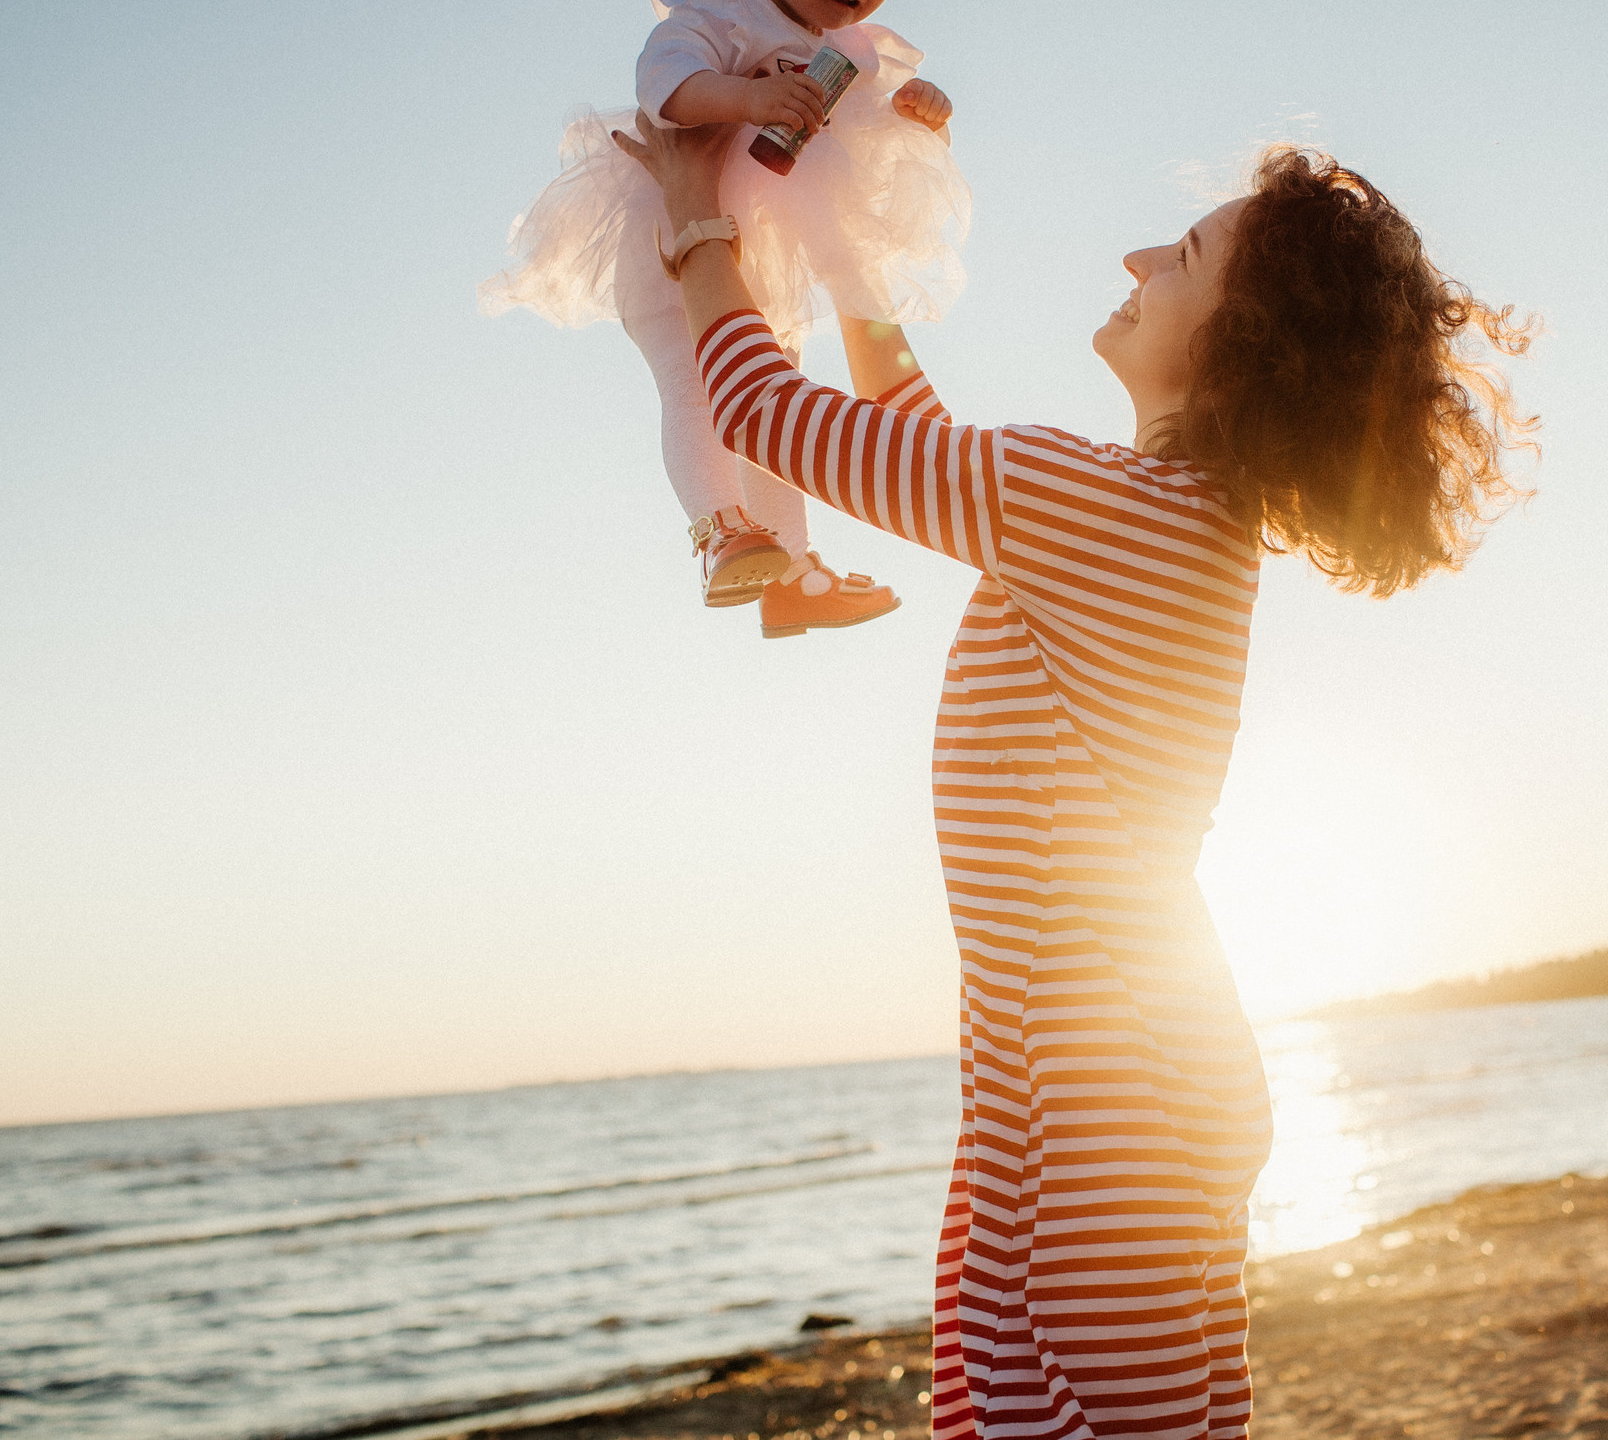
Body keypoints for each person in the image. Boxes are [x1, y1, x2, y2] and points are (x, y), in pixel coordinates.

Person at [615, 110, 1536, 1439]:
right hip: (1129, 1070)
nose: (1136, 256)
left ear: (1243, 336)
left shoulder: (1083, 504)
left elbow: (763, 414)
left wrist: (695, 220)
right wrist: (843, 252)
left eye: (1185, 253)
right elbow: (918, 440)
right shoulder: (1172, 523)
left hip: (1094, 1094)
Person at [479, 0, 969, 638]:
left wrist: (922, 115)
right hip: (672, 230)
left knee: (775, 399)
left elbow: (873, 143)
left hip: (771, 253)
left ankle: (794, 570)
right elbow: (662, 82)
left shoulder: (852, 52)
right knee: (691, 378)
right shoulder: (722, 11)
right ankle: (718, 530)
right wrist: (745, 95)